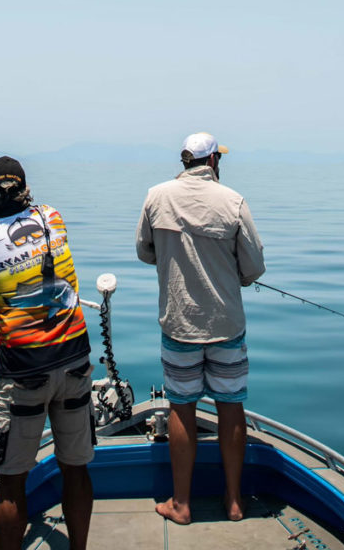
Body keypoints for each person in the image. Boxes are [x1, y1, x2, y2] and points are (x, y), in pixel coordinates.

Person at [0, 156, 94, 550]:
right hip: (74, 360)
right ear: (26, 188)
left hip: (24, 372)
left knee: (11, 481)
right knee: (76, 469)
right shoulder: (53, 217)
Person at [135, 132, 265, 526]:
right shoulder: (234, 201)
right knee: (231, 407)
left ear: (186, 160)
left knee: (181, 407)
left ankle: (181, 504)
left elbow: (144, 251)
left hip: (179, 325)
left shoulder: (156, 197)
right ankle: (234, 502)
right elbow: (254, 268)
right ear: (211, 162)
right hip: (226, 326)